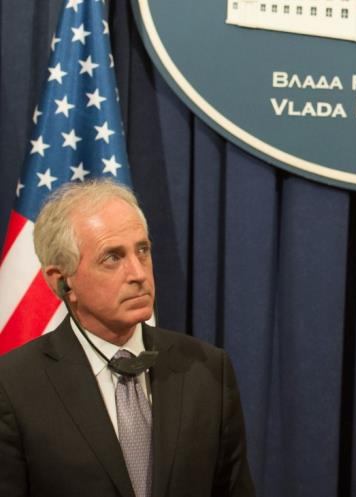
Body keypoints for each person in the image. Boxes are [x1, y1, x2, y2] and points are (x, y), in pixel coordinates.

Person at [0, 180, 255, 497]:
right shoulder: (12, 387)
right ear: (62, 281)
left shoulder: (208, 369)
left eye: (142, 250)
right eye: (112, 257)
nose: (138, 274)